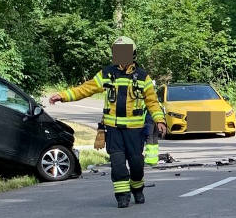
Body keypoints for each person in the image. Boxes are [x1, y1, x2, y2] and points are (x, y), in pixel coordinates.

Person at [49, 37, 166, 208]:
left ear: (132, 54)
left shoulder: (142, 77)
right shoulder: (107, 73)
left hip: (135, 130)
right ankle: (122, 196)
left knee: (136, 164)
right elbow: (85, 89)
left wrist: (160, 120)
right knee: (118, 164)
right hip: (113, 130)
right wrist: (63, 96)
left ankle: (137, 188)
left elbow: (152, 102)